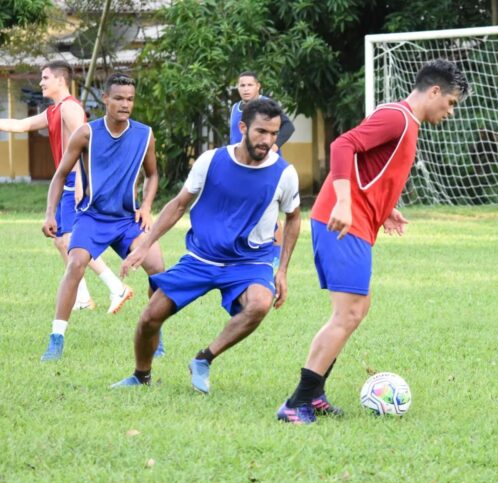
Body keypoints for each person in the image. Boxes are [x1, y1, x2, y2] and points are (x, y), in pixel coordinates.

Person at [276, 59, 469, 424]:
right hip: (342, 222)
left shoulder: (407, 123)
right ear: (434, 91)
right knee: (347, 312)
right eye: (451, 102)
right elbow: (342, 146)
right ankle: (296, 403)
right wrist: (347, 204)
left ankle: (314, 395)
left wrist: (386, 207)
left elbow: (371, 167)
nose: (450, 111)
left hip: (360, 222)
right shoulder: (397, 117)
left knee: (356, 311)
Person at [111, 98, 301, 393]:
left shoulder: (284, 173)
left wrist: (283, 270)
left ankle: (204, 358)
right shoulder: (211, 161)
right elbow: (178, 205)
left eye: (274, 134)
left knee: (260, 304)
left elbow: (294, 218)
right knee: (150, 318)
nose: (267, 141)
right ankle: (140, 376)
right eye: (261, 132)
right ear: (242, 127)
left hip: (249, 263)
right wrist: (144, 244)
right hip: (202, 258)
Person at [40, 73, 165, 361]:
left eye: (130, 99)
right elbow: (60, 175)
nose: (125, 104)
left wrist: (145, 206)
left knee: (158, 270)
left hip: (127, 220)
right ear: (105, 99)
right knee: (76, 264)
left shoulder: (144, 134)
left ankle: (154, 334)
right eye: (118, 98)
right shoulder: (86, 134)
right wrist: (50, 213)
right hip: (93, 217)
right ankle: (56, 338)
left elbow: (153, 174)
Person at [0, 60, 133, 314]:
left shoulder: (71, 108)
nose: (41, 82)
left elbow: (88, 145)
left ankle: (117, 287)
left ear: (60, 80)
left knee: (73, 242)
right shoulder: (54, 111)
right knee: (61, 242)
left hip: (75, 182)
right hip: (66, 183)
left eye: (45, 77)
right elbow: (21, 125)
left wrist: (83, 182)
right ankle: (82, 298)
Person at [230, 71, 296, 272]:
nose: (246, 89)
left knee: (268, 208)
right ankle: (241, 250)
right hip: (241, 167)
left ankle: (274, 256)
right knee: (245, 207)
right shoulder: (235, 109)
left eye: (250, 85)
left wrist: (273, 148)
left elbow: (288, 127)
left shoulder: (266, 105)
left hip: (264, 165)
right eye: (242, 85)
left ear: (258, 86)